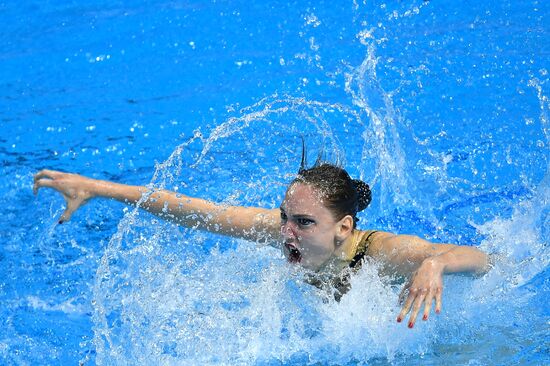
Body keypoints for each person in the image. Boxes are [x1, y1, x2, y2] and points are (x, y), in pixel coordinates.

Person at [33, 159, 490, 329]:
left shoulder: (379, 252)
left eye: (305, 222)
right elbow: (196, 210)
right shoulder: (283, 231)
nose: (287, 232)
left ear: (344, 228)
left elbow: (484, 260)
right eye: (285, 217)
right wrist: (96, 187)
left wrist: (435, 264)